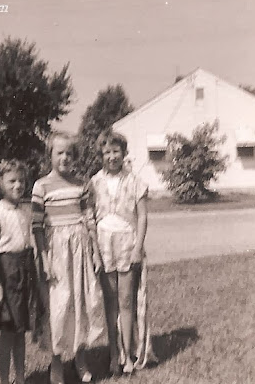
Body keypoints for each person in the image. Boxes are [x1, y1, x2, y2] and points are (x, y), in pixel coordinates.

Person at [32, 132, 106, 384]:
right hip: (56, 254)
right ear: (50, 155)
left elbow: (89, 219)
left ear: (75, 157)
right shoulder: (41, 186)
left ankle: (80, 358)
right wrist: (43, 258)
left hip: (80, 251)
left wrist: (95, 251)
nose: (64, 158)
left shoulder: (82, 184)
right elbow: (37, 227)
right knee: (59, 307)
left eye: (69, 153)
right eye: (59, 153)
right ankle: (56, 363)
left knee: (81, 303)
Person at [87, 129, 156, 376]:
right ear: (101, 155)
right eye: (107, 152)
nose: (112, 156)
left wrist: (138, 247)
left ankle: (128, 353)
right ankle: (113, 354)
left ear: (124, 153)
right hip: (104, 244)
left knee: (127, 301)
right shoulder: (94, 183)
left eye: (116, 151)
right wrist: (94, 249)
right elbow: (90, 218)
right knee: (110, 301)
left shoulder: (135, 182)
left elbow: (143, 216)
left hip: (128, 243)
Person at [0, 159, 42, 384]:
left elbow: (29, 244)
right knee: (8, 332)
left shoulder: (25, 211)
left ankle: (20, 377)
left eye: (21, 180)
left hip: (25, 270)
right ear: (1, 184)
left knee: (21, 332)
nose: (18, 185)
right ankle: (3, 379)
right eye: (12, 181)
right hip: (7, 274)